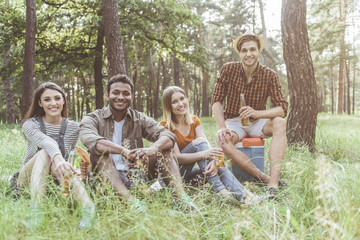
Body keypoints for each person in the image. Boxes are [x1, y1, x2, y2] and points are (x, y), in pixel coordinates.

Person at [79, 74, 196, 211]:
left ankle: (181, 199)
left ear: (132, 97)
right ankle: (132, 204)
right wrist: (123, 151)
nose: (121, 97)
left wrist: (152, 149)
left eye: (126, 93)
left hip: (135, 175)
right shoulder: (93, 118)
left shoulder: (139, 118)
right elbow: (90, 139)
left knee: (164, 150)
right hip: (104, 178)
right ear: (107, 95)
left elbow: (168, 136)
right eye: (116, 93)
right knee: (99, 155)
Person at [212, 30, 289, 195]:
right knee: (223, 139)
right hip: (233, 121)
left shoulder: (269, 75)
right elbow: (216, 100)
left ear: (258, 51)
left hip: (257, 121)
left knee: (280, 123)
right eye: (244, 50)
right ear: (239, 53)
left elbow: (282, 109)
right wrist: (221, 127)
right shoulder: (228, 69)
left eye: (252, 49)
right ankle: (264, 178)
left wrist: (256, 113)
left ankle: (273, 186)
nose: (249, 54)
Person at [160, 86, 266, 204]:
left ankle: (245, 196)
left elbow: (207, 147)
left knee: (214, 163)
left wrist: (215, 162)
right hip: (174, 176)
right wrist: (204, 154)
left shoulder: (194, 121)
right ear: (168, 106)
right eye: (174, 102)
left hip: (191, 178)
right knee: (198, 144)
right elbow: (177, 158)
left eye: (182, 99)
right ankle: (222, 191)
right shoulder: (165, 126)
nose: (180, 104)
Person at [15, 82, 95, 229]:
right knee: (45, 153)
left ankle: (88, 208)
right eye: (47, 99)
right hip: (27, 178)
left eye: (57, 98)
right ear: (40, 103)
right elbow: (47, 142)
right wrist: (58, 157)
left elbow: (71, 155)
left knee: (62, 166)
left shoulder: (73, 128)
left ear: (63, 100)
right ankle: (36, 209)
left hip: (58, 176)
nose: (53, 103)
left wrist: (74, 169)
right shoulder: (30, 124)